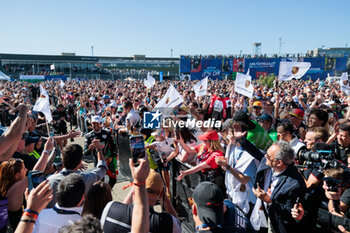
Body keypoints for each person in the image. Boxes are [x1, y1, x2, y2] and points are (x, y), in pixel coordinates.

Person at [250, 141, 306, 233]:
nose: (265, 157)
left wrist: (268, 201)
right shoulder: (268, 161)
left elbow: (289, 211)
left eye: (268, 156)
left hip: (278, 224)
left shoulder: (294, 184)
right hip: (262, 215)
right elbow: (256, 152)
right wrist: (241, 140)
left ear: (279, 163)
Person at [101, 169, 180, 233]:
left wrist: (134, 189)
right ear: (160, 194)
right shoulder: (167, 222)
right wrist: (166, 200)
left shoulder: (110, 208)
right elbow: (178, 226)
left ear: (134, 187)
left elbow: (123, 209)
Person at [215, 117, 259, 214]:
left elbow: (244, 179)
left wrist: (228, 167)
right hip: (233, 194)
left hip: (248, 200)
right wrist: (222, 163)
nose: (228, 137)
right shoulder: (231, 147)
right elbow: (226, 168)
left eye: (230, 134)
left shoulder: (250, 153)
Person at [47, 143, 107, 208]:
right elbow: (102, 168)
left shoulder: (51, 180)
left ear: (62, 160)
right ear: (80, 162)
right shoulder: (86, 179)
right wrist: (99, 149)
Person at [84, 115, 117, 187]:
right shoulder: (88, 136)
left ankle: (108, 190)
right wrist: (90, 148)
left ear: (101, 124)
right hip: (97, 161)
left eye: (97, 123)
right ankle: (104, 195)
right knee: (100, 181)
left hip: (109, 159)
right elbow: (86, 152)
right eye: (93, 123)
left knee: (113, 179)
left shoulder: (107, 133)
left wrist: (113, 156)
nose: (95, 125)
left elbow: (113, 146)